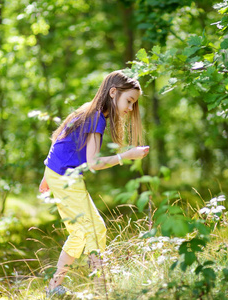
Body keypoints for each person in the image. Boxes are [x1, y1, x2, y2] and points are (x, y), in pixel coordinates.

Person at [39, 70, 150, 296]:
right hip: (64, 177)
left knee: (82, 232)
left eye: (133, 103)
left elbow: (62, 140)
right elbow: (94, 163)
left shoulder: (90, 110)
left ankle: (55, 287)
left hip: (60, 174)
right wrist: (127, 155)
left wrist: (47, 173)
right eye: (129, 101)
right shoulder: (96, 116)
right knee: (93, 229)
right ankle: (102, 288)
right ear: (113, 92)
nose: (130, 108)